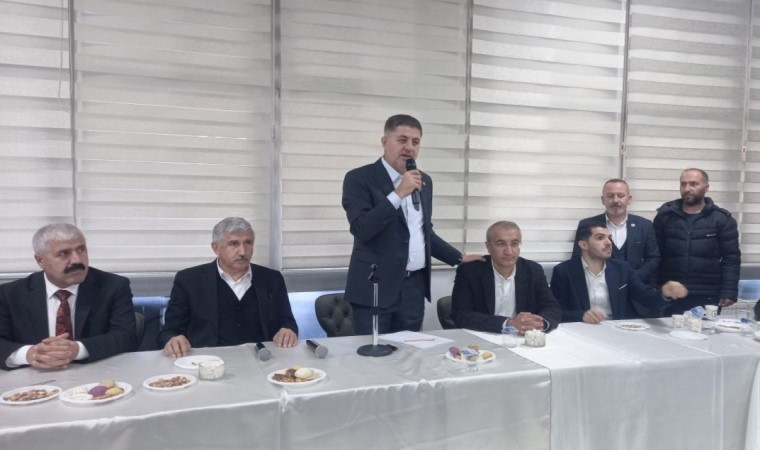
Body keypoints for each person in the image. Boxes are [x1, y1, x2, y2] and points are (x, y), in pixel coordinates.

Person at [342, 114, 482, 334]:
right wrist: (398, 194)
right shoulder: (359, 178)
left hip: (412, 290)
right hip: (375, 288)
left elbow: (424, 232)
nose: (409, 147)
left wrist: (458, 258)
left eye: (415, 142)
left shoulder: (424, 181)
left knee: (410, 351)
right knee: (373, 352)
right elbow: (362, 229)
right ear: (385, 141)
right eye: (402, 140)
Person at [0, 223, 136, 370]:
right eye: (64, 253)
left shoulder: (113, 286)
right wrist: (29, 354)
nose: (77, 260)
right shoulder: (10, 294)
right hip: (34, 377)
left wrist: (76, 350)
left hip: (95, 373)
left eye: (81, 249)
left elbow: (126, 336)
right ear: (40, 261)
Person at [159, 217, 298, 357]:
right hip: (207, 361)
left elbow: (288, 323)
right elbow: (170, 331)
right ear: (215, 248)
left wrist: (288, 331)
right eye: (234, 244)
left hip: (263, 358)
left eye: (248, 243)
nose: (243, 252)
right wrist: (173, 340)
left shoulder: (272, 279)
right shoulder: (189, 280)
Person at [551, 223, 687, 323]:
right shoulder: (564, 271)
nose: (609, 243)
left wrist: (664, 293)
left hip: (617, 330)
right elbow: (555, 311)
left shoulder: (622, 269)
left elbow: (646, 299)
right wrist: (581, 315)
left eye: (609, 238)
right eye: (600, 238)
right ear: (583, 245)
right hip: (582, 331)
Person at [653, 168, 741, 314]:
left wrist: (729, 290)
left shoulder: (722, 219)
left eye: (693, 184)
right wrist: (654, 288)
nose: (687, 188)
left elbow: (731, 259)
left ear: (706, 187)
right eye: (683, 184)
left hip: (707, 294)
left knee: (705, 328)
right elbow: (654, 256)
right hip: (671, 292)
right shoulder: (665, 217)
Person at [451, 221, 561, 334]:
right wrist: (507, 324)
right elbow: (460, 315)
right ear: (488, 247)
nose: (509, 252)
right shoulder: (470, 271)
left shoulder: (533, 270)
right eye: (501, 244)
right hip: (486, 335)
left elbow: (551, 307)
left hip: (522, 337)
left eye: (514, 244)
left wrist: (541, 323)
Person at [572, 179, 659, 285]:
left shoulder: (644, 225)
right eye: (610, 196)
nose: (615, 200)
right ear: (603, 199)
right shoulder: (587, 225)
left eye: (621, 195)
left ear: (629, 199)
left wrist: (634, 278)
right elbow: (578, 258)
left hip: (636, 287)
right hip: (599, 287)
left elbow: (653, 259)